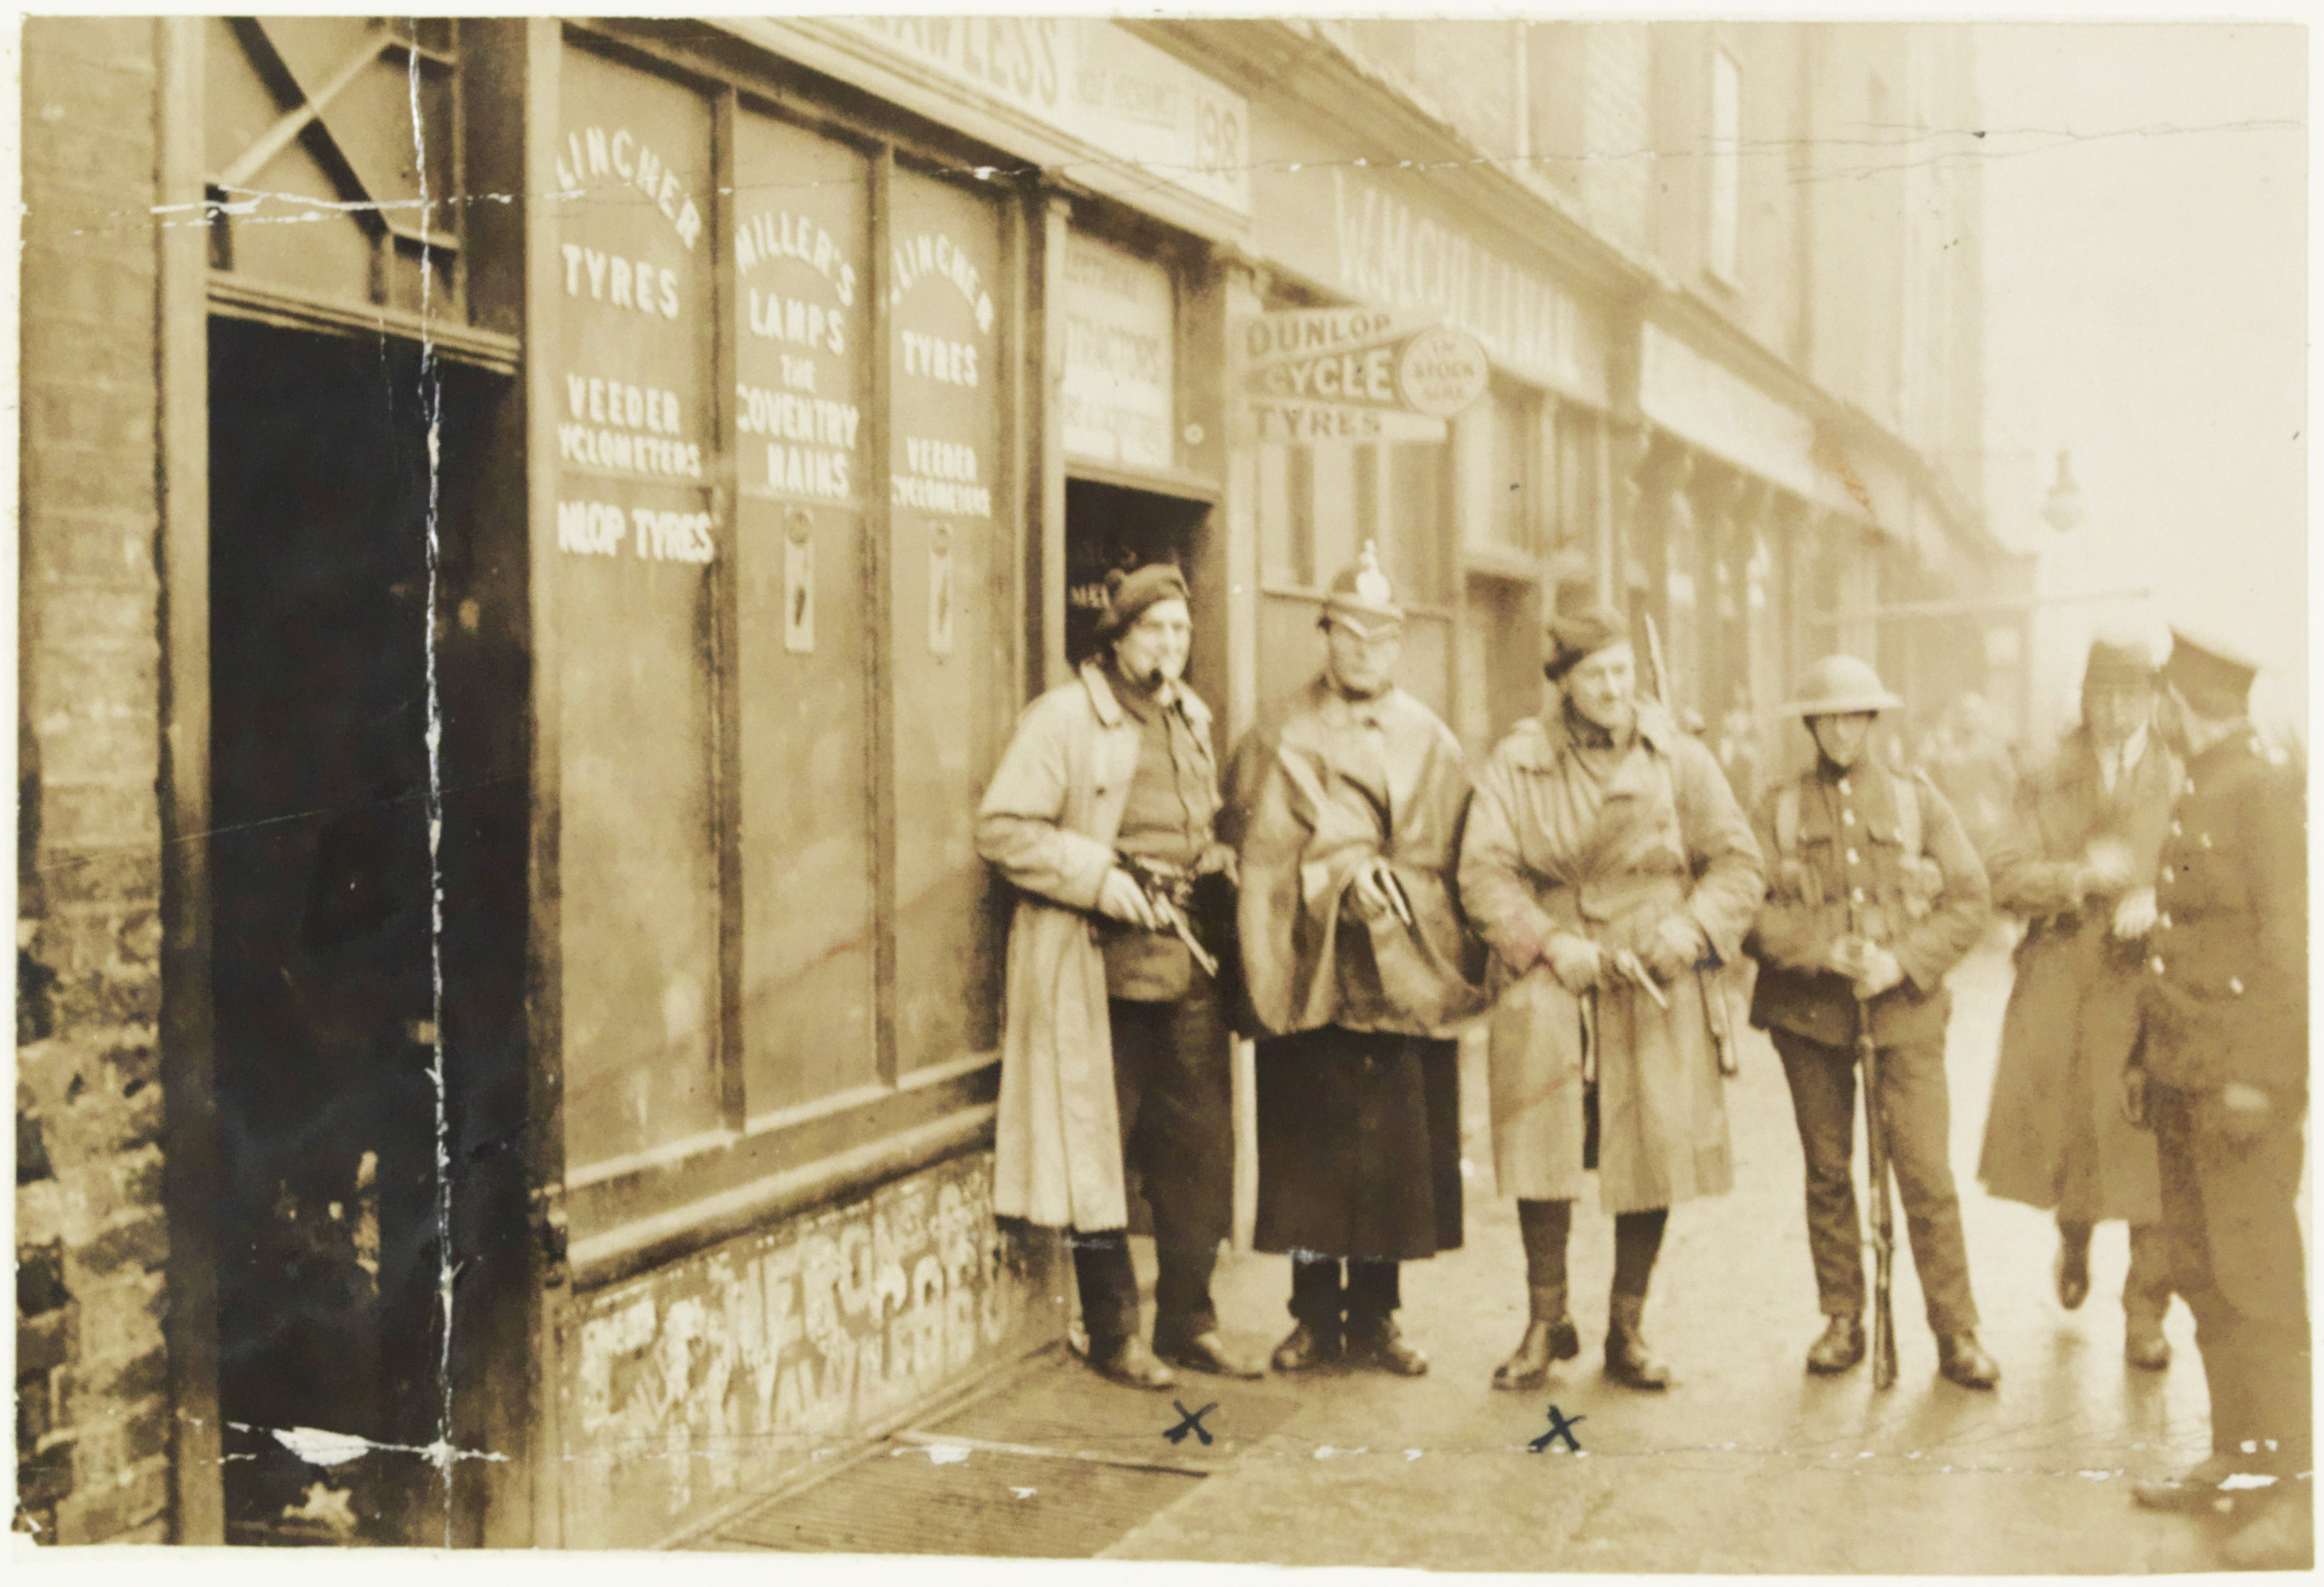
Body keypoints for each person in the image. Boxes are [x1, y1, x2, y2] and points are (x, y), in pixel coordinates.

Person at [1457, 609, 1765, 1391]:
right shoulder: (1517, 762)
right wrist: (1545, 942)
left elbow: (1737, 864)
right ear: (1561, 683)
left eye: (1624, 672)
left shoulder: (1678, 759)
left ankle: (1626, 1327)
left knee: (1652, 1144)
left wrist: (1690, 930)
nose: (1614, 689)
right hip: (1554, 964)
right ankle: (1544, 1319)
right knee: (1539, 1137)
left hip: (1652, 969)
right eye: (1595, 675)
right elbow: (1482, 873)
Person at [976, 563, 1263, 1389]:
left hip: (1188, 969)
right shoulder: (1064, 718)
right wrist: (1098, 877)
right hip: (1098, 973)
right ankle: (1114, 1334)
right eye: (1153, 632)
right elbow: (1001, 828)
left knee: (1199, 1154)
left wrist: (1213, 854)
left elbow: (1197, 818)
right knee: (1095, 1152)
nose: (1168, 647)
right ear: (1118, 639)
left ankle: (1189, 1321)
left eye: (1179, 632)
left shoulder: (1190, 718)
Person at [1220, 543, 1485, 1376]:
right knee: (1310, 1140)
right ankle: (1310, 1315)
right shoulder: (1276, 729)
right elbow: (1250, 850)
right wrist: (1335, 881)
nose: (1362, 650)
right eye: (1346, 633)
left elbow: (1458, 857)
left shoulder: (1429, 741)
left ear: (1398, 644)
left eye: (1379, 637)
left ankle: (1379, 1316)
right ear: (1322, 635)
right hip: (1307, 967)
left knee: (1394, 1150)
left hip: (1400, 967)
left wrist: (1395, 888)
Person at [1746, 655, 2002, 1390]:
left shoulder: (1919, 802)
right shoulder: (1778, 807)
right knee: (1828, 1172)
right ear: (1812, 725)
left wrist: (1901, 962)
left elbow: (1970, 898)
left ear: (1872, 722)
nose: (1842, 731)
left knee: (1925, 1172)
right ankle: (1843, 1317)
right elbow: (1750, 908)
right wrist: (1822, 949)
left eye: (1855, 716)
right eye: (1828, 718)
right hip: (1811, 1017)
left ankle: (1956, 1331)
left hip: (1904, 1016)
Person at [2123, 630, 2309, 1570]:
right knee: (2199, 1270)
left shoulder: (2261, 785)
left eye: (2157, 695)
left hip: (2235, 1087)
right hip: (2180, 1074)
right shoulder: (2203, 780)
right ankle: (2236, 1460)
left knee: (2259, 1286)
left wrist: (2262, 1082)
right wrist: (2139, 1055)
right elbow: (2174, 938)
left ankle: (2297, 1500)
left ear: (2177, 698)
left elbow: (2284, 947)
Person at [1977, 635, 2181, 1370]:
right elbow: (1999, 874)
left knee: (2149, 1145)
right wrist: (2078, 877)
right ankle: (2074, 1232)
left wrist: (2157, 897)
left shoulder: (2181, 777)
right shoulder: (2048, 776)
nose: (2115, 712)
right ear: (2085, 697)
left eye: (2130, 696)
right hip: (2062, 982)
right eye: (2102, 695)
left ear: (2153, 701)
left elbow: (2210, 875)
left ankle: (2144, 1312)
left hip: (2145, 987)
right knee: (2072, 1135)